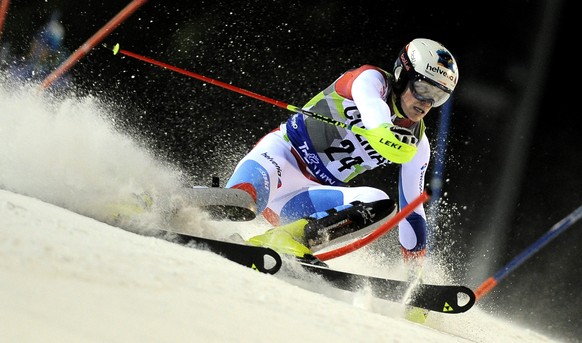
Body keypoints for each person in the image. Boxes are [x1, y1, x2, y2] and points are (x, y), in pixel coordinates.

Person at [225, 38, 459, 321]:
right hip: (279, 159)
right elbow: (375, 116)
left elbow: (413, 212)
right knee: (240, 203)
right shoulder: (371, 80)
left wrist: (415, 280)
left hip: (303, 199)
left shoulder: (418, 145)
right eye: (422, 88)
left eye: (439, 96)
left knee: (382, 204)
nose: (426, 103)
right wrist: (386, 134)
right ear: (401, 75)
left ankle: (283, 240)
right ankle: (164, 201)